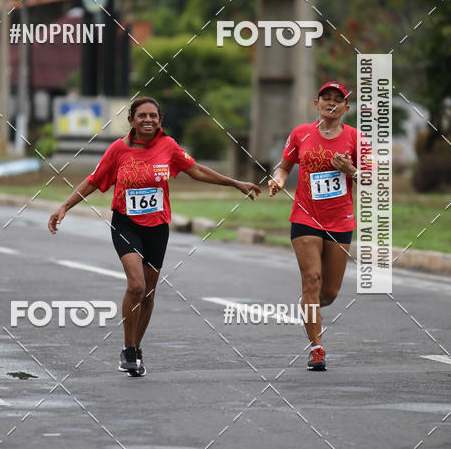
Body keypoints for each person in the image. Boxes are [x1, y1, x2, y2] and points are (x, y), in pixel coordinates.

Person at [48, 96, 261, 377]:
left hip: (158, 227)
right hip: (126, 223)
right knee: (135, 285)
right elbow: (93, 181)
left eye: (153, 116)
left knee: (148, 293)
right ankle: (128, 348)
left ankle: (136, 348)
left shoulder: (168, 146)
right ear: (131, 121)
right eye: (142, 116)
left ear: (160, 120)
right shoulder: (117, 150)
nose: (148, 120)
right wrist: (64, 206)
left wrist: (235, 183)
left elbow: (195, 170)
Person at [268, 82, 367, 372]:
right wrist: (279, 180)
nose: (332, 103)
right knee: (311, 280)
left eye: (338, 100)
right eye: (327, 98)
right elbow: (284, 166)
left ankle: (308, 305)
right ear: (317, 104)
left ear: (346, 108)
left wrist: (350, 171)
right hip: (305, 217)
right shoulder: (301, 134)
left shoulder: (357, 139)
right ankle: (317, 348)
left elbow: (375, 182)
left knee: (329, 293)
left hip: (340, 220)